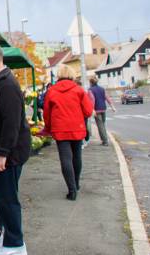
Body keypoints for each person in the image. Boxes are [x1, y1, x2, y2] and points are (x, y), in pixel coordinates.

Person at [0, 40, 30, 255]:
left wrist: (2, 153)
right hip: (1, 152)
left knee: (7, 199)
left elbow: (12, 123)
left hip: (8, 155)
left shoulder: (6, 84)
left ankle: (15, 244)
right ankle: (4, 237)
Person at [42, 64, 93, 200]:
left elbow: (46, 113)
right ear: (72, 75)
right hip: (77, 128)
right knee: (77, 157)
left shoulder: (51, 91)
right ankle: (76, 183)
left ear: (59, 75)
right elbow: (88, 111)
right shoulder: (78, 90)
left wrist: (48, 128)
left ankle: (71, 190)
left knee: (65, 159)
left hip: (60, 129)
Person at [88, 76, 116, 146]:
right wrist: (112, 107)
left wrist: (92, 110)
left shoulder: (90, 90)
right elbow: (107, 98)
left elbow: (92, 100)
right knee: (102, 125)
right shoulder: (102, 89)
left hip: (97, 110)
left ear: (91, 82)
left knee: (100, 126)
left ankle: (105, 141)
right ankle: (104, 140)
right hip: (103, 109)